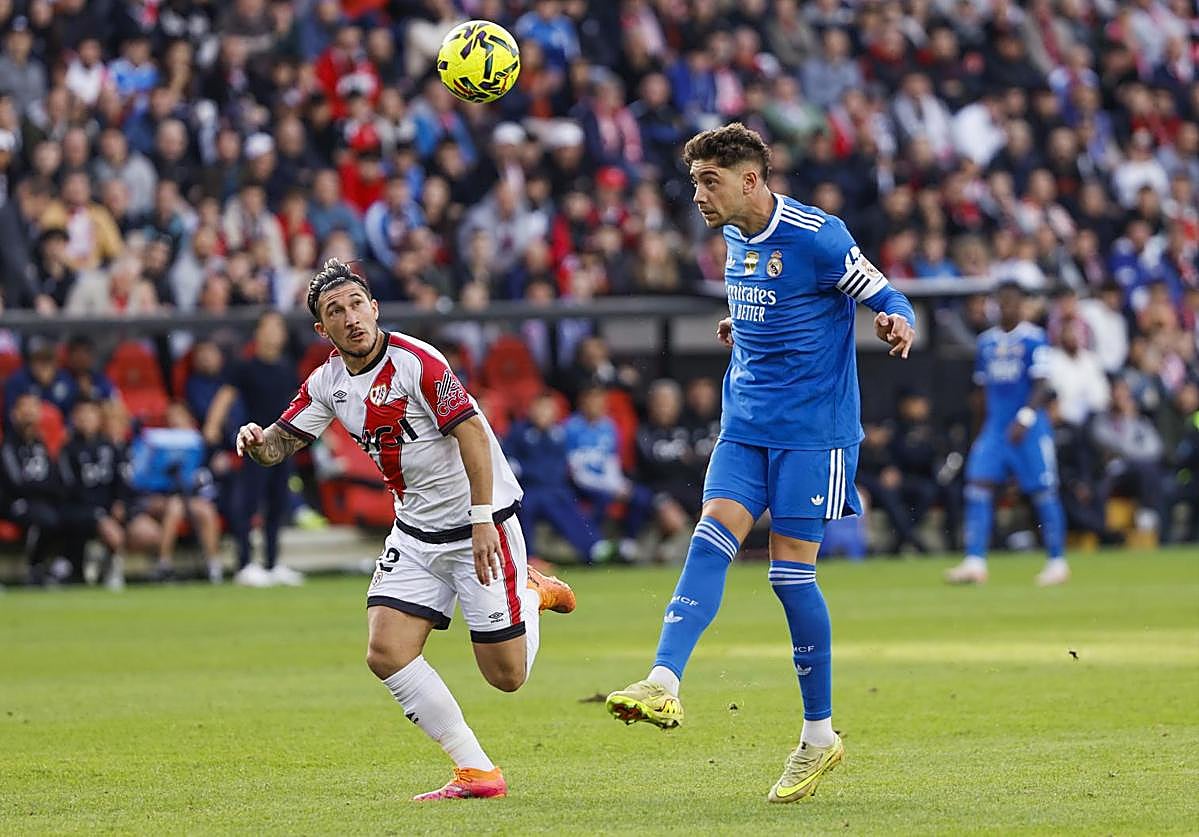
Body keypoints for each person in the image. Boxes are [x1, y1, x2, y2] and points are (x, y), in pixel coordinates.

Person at [605, 123, 916, 803]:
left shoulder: (817, 235)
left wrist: (896, 320)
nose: (697, 196)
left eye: (707, 181)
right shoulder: (732, 235)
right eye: (694, 183)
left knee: (787, 575)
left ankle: (817, 734)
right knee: (710, 533)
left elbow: (884, 293)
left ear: (750, 179)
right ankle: (662, 679)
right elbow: (765, 303)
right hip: (744, 423)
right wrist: (739, 324)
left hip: (814, 433)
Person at [234, 258, 576, 801]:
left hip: (477, 525)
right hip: (416, 532)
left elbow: (473, 435)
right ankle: (477, 772)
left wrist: (483, 518)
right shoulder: (327, 382)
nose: (350, 318)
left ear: (374, 308)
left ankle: (531, 594)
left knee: (506, 677)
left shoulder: (418, 362)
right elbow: (281, 442)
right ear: (322, 330)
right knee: (386, 651)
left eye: (355, 305)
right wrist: (255, 443)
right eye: (334, 312)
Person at [945, 280, 1070, 587]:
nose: (1008, 307)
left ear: (1023, 305)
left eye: (1014, 302)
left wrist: (1026, 417)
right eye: (1003, 302)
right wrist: (979, 433)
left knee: (1042, 491)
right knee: (977, 486)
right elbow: (981, 392)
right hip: (995, 430)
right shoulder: (986, 342)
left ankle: (1057, 561)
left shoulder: (1034, 339)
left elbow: (1043, 384)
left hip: (1028, 429)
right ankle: (975, 561)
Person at [203, 311, 305, 588]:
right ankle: (245, 563)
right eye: (269, 327)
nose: (274, 333)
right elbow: (225, 397)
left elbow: (299, 403)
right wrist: (212, 429)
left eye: (278, 328)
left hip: (282, 445)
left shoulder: (286, 368)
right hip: (254, 444)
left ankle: (272, 563)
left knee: (278, 504)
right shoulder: (245, 367)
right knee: (248, 504)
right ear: (257, 333)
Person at [503, 391, 611, 565]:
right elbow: (511, 465)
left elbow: (562, 467)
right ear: (531, 410)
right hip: (529, 489)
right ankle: (528, 557)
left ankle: (593, 546)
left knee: (569, 502)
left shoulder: (559, 435)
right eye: (540, 409)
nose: (544, 414)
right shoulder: (518, 433)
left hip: (556, 488)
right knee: (534, 504)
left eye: (548, 409)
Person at [59, 399, 130, 590]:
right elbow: (69, 488)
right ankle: (110, 569)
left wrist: (120, 502)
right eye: (80, 415)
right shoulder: (68, 450)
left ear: (99, 418)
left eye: (90, 414)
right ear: (74, 419)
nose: (85, 419)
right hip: (78, 509)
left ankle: (103, 560)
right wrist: (98, 513)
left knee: (147, 533)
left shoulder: (109, 447)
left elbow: (120, 480)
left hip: (107, 510)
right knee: (110, 531)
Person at [0, 393, 64, 586]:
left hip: (39, 501)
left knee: (65, 515)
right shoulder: (8, 445)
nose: (29, 414)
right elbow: (17, 483)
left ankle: (52, 567)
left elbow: (53, 477)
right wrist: (44, 488)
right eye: (24, 410)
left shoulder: (40, 444)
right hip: (12, 503)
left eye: (33, 409)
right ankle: (34, 567)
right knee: (44, 518)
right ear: (14, 414)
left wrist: (46, 489)